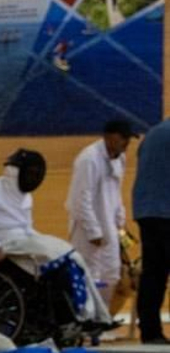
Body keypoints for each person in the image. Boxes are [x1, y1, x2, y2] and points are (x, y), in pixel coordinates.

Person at [0, 149, 112, 326]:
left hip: (24, 244)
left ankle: (93, 315)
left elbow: (26, 228)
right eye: (31, 173)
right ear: (16, 172)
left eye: (36, 174)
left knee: (72, 257)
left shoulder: (25, 197)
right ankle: (75, 316)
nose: (33, 178)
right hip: (5, 247)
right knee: (61, 257)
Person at [66, 120, 134, 307]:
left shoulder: (120, 158)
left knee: (111, 273)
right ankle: (84, 319)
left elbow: (116, 191)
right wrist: (93, 231)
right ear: (110, 137)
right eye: (123, 138)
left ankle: (101, 320)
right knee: (88, 273)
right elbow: (80, 198)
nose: (127, 143)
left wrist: (120, 222)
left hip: (110, 227)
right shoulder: (88, 159)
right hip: (86, 230)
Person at [135, 118, 170, 344]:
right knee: (155, 274)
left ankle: (150, 331)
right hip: (167, 211)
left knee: (153, 274)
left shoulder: (154, 133)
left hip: (146, 211)